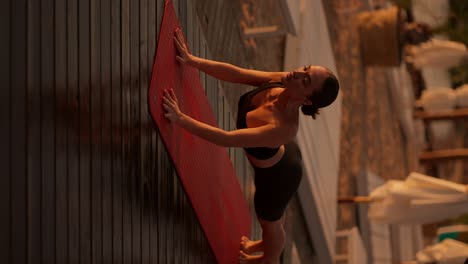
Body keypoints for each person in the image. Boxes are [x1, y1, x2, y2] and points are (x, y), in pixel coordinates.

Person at [162, 29, 340, 264]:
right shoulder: (283, 80)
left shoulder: (283, 127)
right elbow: (238, 74)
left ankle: (270, 259)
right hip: (281, 157)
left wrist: (180, 118)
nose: (297, 73)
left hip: (280, 175)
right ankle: (263, 245)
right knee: (270, 217)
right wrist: (192, 60)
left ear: (307, 100)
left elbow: (225, 138)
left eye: (305, 80)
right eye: (305, 68)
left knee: (269, 218)